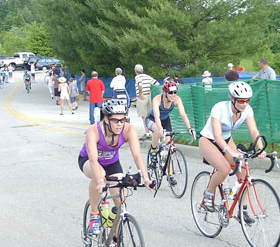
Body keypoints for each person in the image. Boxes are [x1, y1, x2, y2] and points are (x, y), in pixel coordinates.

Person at [78, 99, 153, 237]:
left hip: (112, 163)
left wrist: (146, 178)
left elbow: (137, 155)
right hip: (89, 161)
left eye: (123, 119)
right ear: (106, 119)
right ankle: (94, 213)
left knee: (121, 199)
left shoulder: (129, 129)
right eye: (115, 120)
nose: (120, 124)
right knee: (99, 174)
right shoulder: (93, 131)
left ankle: (116, 240)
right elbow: (94, 160)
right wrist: (101, 181)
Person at [199, 81, 267, 223]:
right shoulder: (219, 109)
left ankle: (243, 211)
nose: (244, 104)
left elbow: (254, 131)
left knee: (243, 171)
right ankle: (208, 194)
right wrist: (232, 152)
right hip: (209, 140)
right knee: (224, 169)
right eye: (241, 100)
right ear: (232, 98)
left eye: (247, 100)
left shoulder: (247, 110)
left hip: (227, 139)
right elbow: (217, 136)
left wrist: (261, 148)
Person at [146, 79, 196, 184]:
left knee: (169, 147)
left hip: (166, 121)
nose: (173, 95)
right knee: (157, 132)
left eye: (175, 92)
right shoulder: (157, 100)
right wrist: (160, 130)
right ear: (165, 93)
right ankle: (153, 152)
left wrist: (189, 128)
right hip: (153, 119)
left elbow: (183, 114)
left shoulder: (177, 99)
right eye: (170, 93)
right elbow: (157, 117)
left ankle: (170, 174)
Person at [134, 64, 160, 140]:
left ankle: (147, 133)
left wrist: (141, 93)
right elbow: (157, 83)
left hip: (142, 97)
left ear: (135, 71)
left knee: (144, 116)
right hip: (149, 96)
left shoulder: (138, 77)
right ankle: (154, 131)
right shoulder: (147, 76)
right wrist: (151, 92)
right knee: (150, 115)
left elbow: (140, 85)